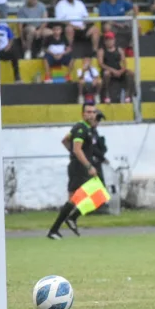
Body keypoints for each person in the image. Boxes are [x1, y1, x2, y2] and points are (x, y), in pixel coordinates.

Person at [47, 103, 99, 240]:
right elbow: (77, 149)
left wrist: (73, 155)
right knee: (96, 194)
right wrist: (88, 166)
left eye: (93, 112)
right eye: (88, 112)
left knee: (79, 198)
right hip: (79, 168)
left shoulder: (82, 128)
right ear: (83, 114)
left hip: (77, 166)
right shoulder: (81, 129)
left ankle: (56, 229)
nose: (91, 114)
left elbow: (65, 140)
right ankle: (69, 220)